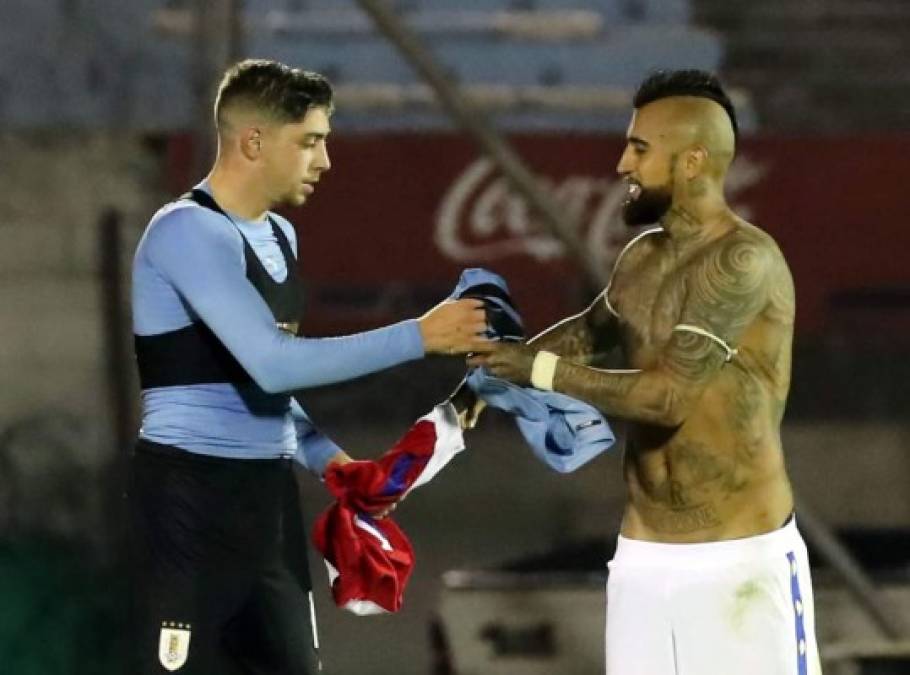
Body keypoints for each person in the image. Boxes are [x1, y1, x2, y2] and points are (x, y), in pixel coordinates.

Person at [129, 59, 488, 675]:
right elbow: (272, 366)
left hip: (266, 498)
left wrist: (329, 461)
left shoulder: (281, 237)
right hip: (188, 501)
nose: (325, 161)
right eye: (311, 142)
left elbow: (259, 385)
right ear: (253, 141)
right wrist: (419, 336)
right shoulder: (185, 231)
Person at [469, 70, 821, 675]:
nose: (620, 165)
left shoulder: (744, 259)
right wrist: (491, 369)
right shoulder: (640, 257)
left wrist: (537, 369)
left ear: (692, 162)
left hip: (738, 562)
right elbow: (588, 332)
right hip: (642, 561)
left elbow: (666, 399)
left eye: (639, 148)